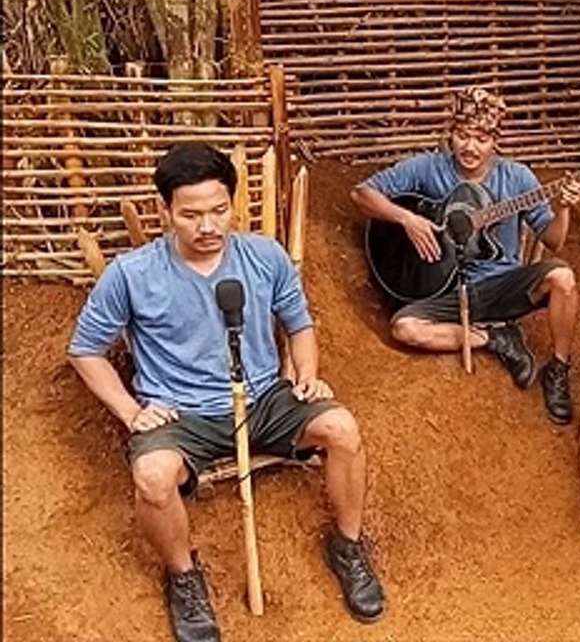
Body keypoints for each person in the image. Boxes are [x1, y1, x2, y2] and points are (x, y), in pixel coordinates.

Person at [68, 143, 385, 642]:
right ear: (164, 210)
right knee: (152, 475)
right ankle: (183, 576)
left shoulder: (265, 256)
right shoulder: (131, 275)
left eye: (219, 211)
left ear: (232, 204)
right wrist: (132, 412)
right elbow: (85, 350)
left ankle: (347, 545)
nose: (209, 226)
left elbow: (299, 324)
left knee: (342, 428)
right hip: (182, 418)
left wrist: (305, 373)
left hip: (263, 401)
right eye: (191, 214)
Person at [351, 87, 580, 425]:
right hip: (445, 291)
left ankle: (558, 370)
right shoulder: (428, 168)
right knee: (404, 328)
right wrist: (408, 219)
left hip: (502, 286)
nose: (470, 147)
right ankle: (493, 337)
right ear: (450, 134)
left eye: (481, 138)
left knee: (562, 276)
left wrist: (563, 208)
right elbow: (361, 193)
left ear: (496, 141)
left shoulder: (517, 178)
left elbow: (554, 240)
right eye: (462, 135)